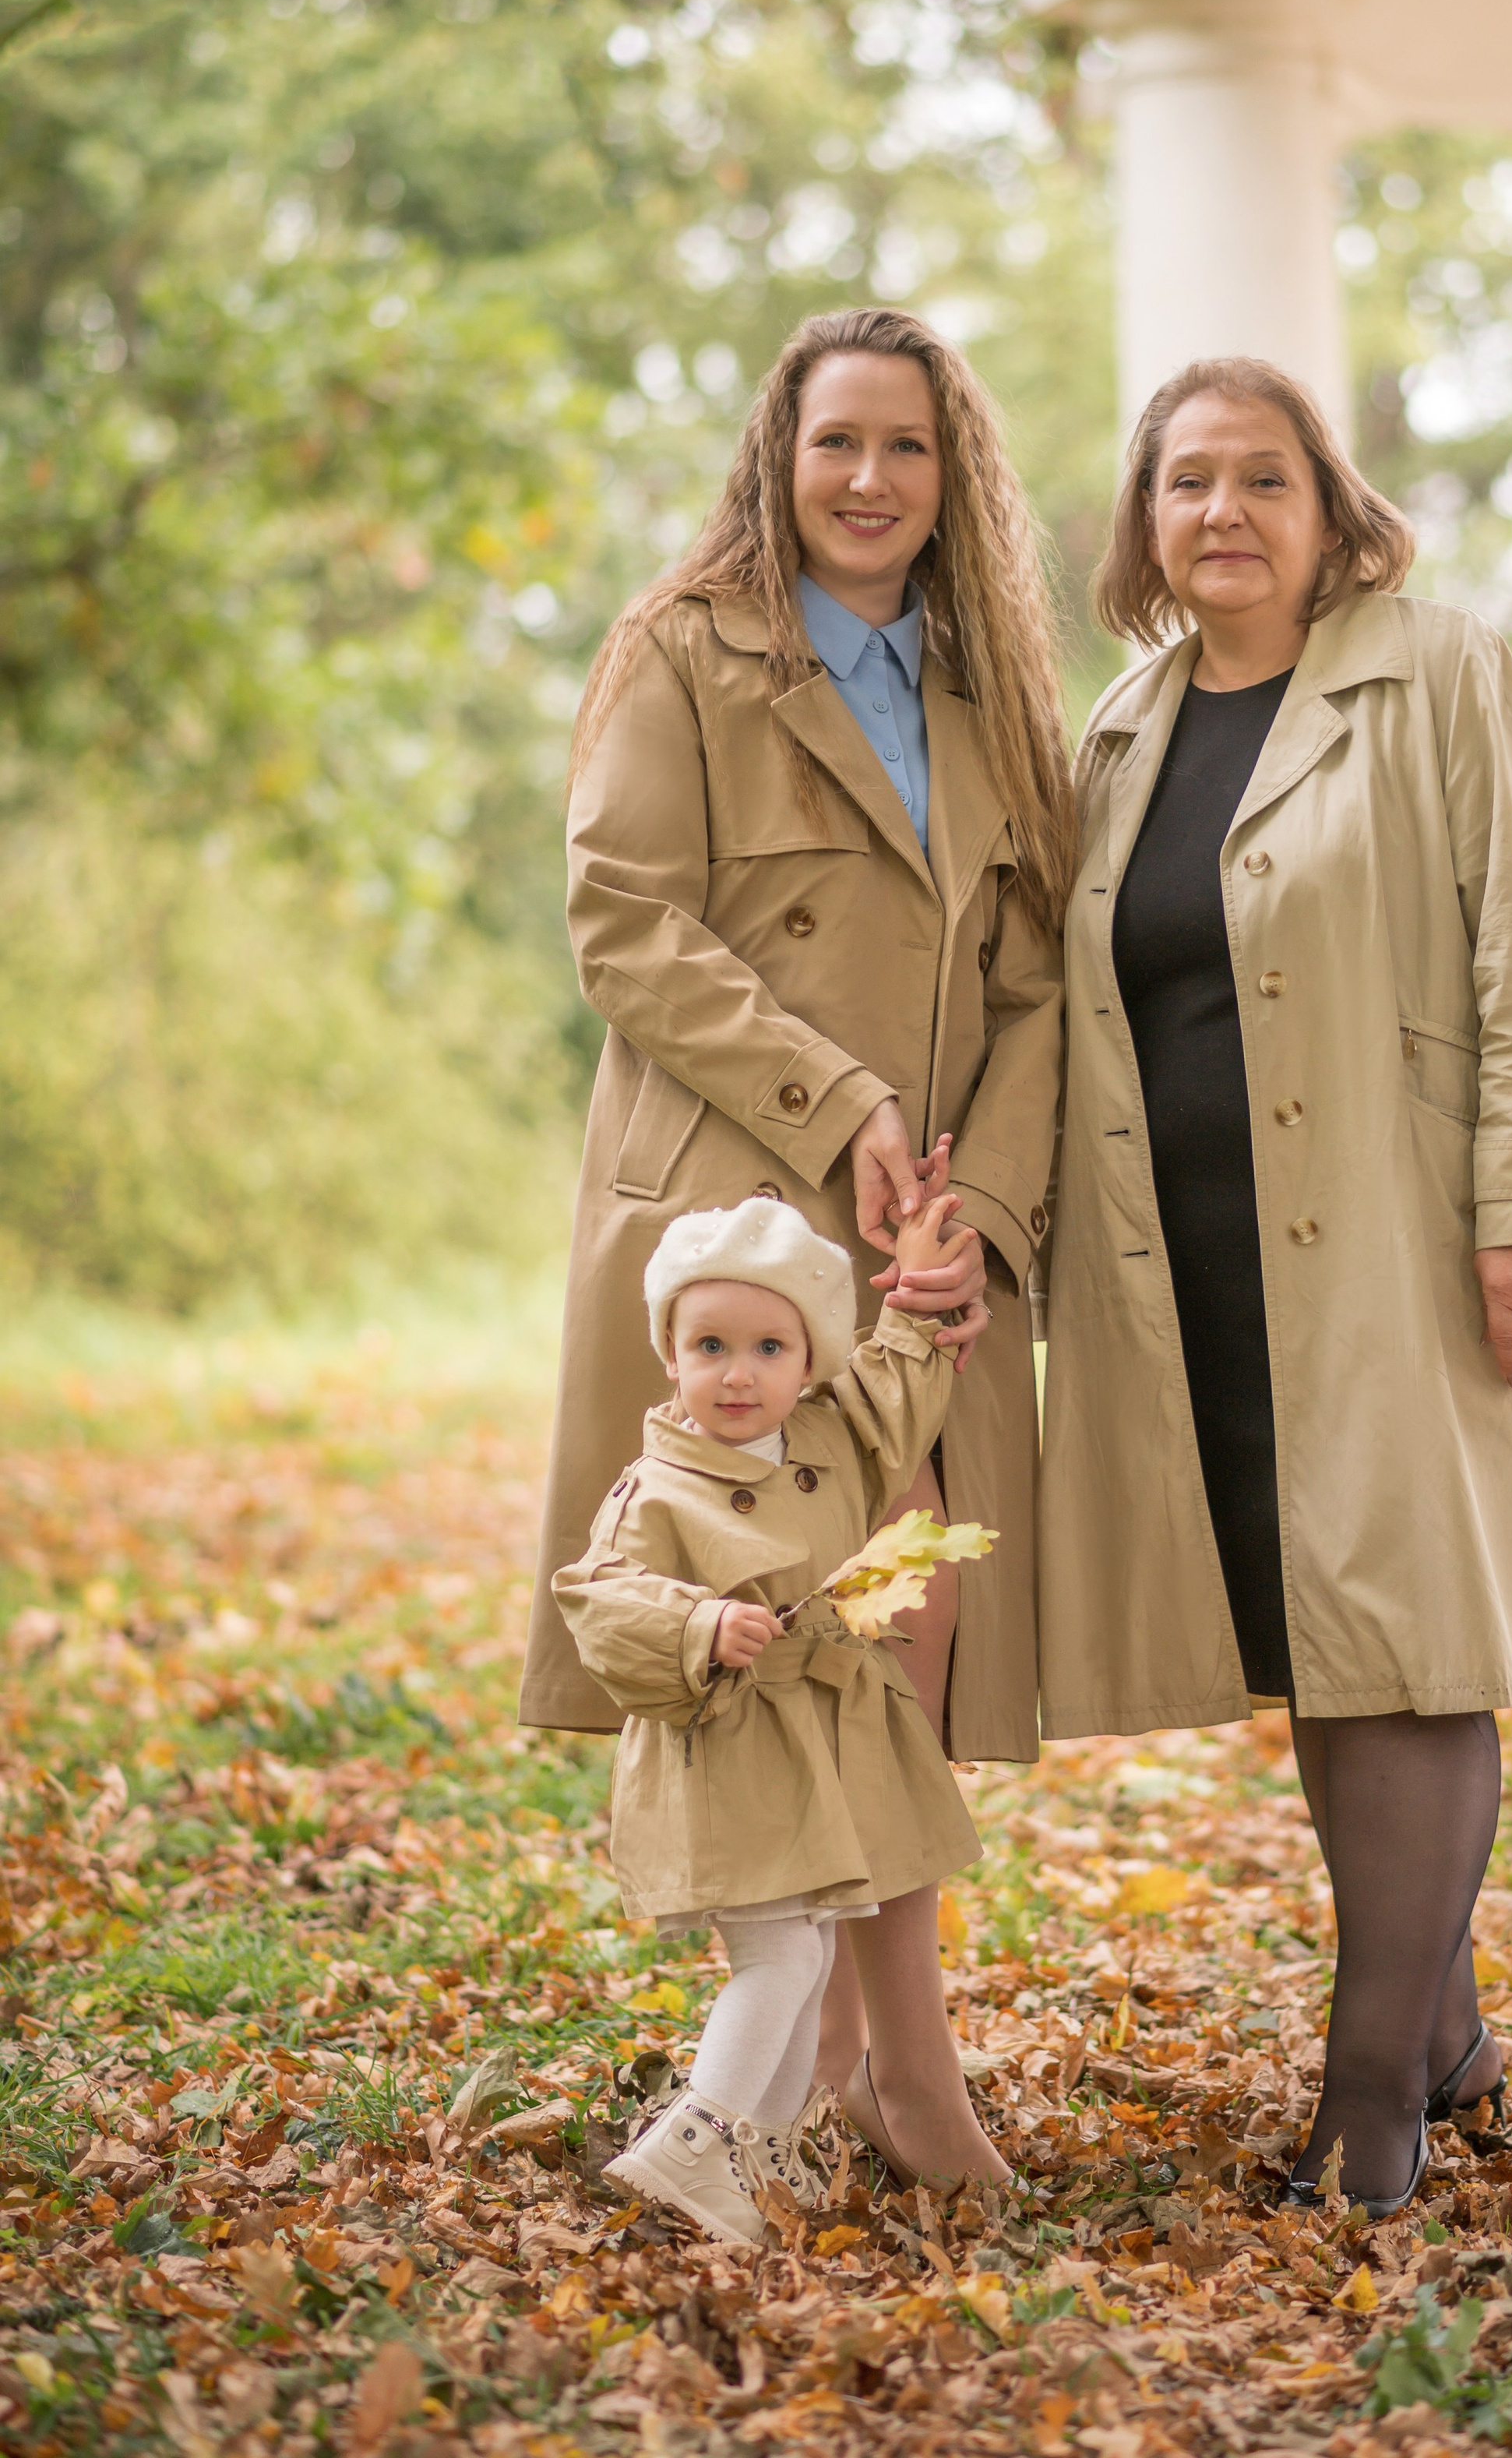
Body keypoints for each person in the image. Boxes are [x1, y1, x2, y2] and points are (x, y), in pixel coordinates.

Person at [1038, 356, 1512, 2217]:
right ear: (1143, 521)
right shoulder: (1124, 720)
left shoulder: (1436, 671)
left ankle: (1369, 2095)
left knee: (1404, 1642)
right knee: (1327, 1638)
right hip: (1195, 1263)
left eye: (1263, 477)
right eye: (1185, 481)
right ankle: (1449, 2032)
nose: (1222, 511)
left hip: (1402, 1248)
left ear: (1330, 510)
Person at [520, 307, 1070, 2192]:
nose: (866, 480)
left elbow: (1035, 988)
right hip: (738, 1233)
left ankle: (854, 2060)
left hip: (909, 1243)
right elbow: (624, 922)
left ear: (950, 471)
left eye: (904, 447)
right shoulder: (681, 655)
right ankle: (858, 2069)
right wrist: (837, 1102)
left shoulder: (990, 681)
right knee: (781, 1633)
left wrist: (975, 1213)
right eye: (835, 441)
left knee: (895, 1625)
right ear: (779, 453)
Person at [555, 1189, 987, 2248]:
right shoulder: (654, 1487)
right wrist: (700, 1625)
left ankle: (761, 2148)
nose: (737, 1374)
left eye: (766, 1347)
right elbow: (599, 1598)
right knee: (784, 1961)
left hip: (820, 1750)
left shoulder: (832, 1439)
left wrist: (921, 1297)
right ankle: (692, 2144)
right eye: (709, 1345)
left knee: (816, 1947)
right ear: (671, 1355)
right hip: (731, 1754)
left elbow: (895, 1388)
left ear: (808, 1363)